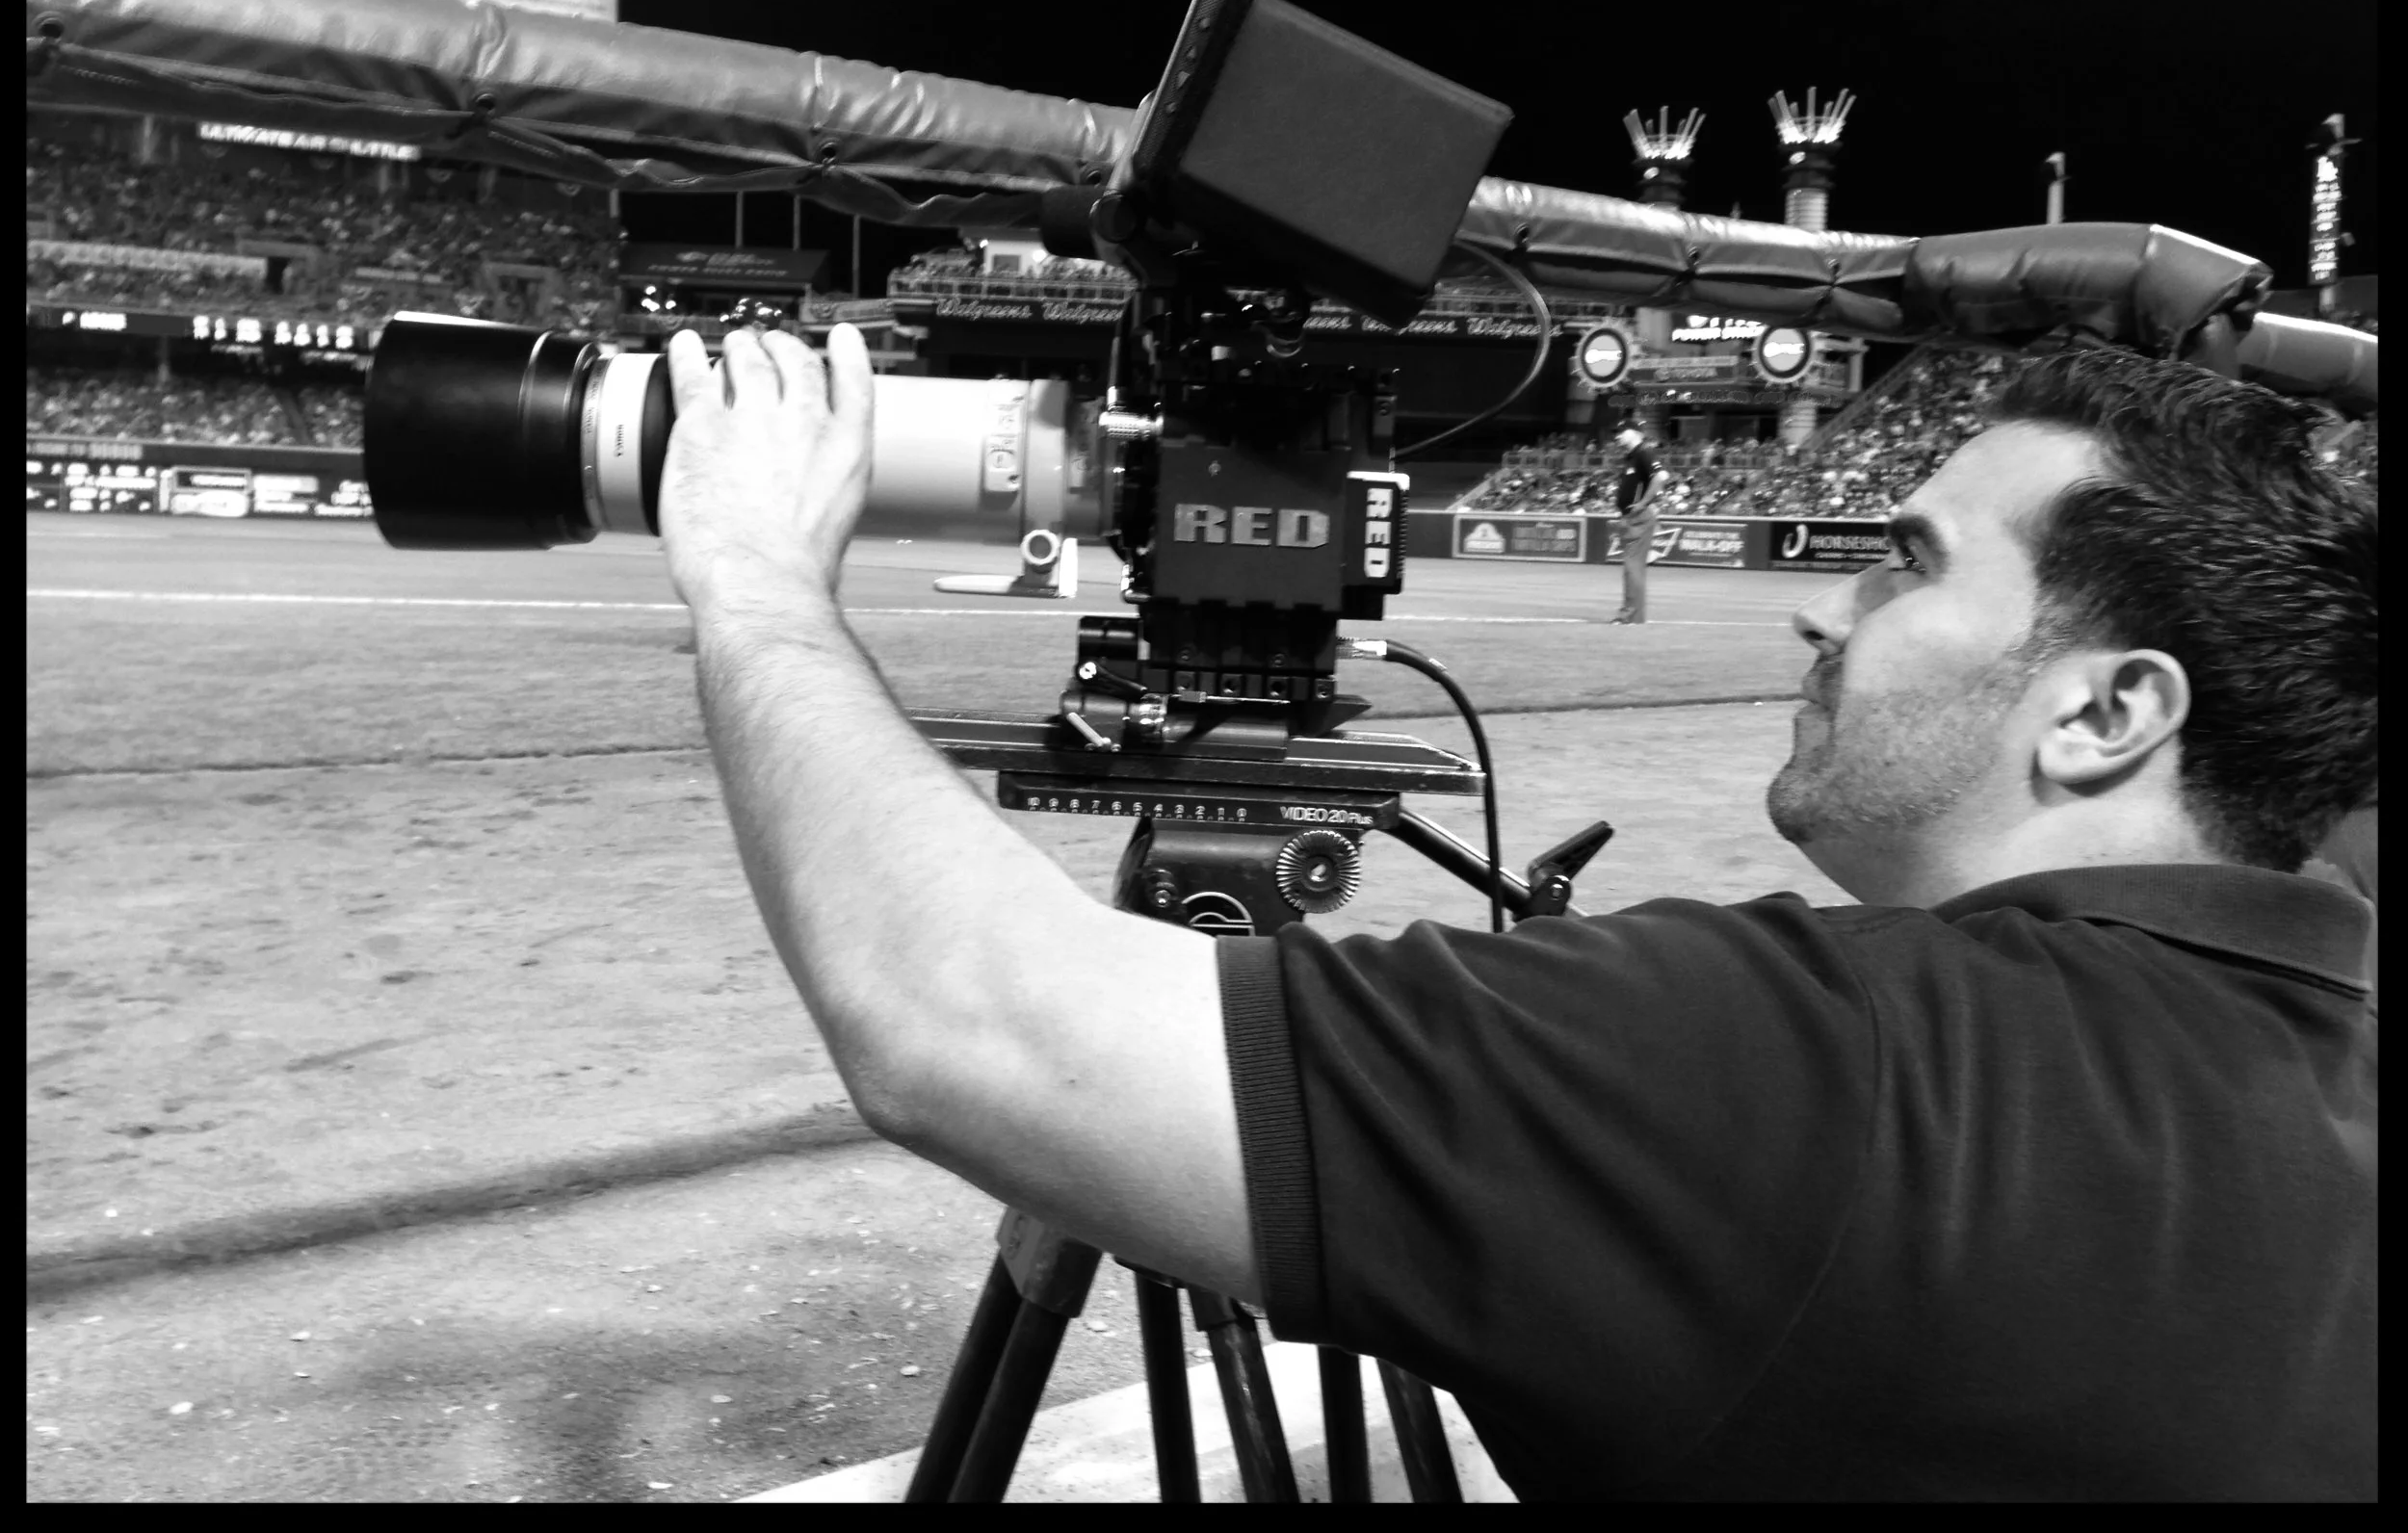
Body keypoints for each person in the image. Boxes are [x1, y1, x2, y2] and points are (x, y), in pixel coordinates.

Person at [657, 332, 2375, 1501]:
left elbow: (962, 1022)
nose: (1825, 616)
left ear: (2108, 714)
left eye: (1904, 566)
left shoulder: (1824, 1071)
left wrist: (750, 570)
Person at [1609, 421, 1666, 623]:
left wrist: (1643, 503)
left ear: (1633, 433)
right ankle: (1636, 616)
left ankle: (1628, 615)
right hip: (1631, 518)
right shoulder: (1633, 456)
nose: (1616, 437)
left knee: (1631, 567)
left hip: (1638, 518)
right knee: (1634, 568)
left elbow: (1661, 476)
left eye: (1620, 432)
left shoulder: (1643, 451)